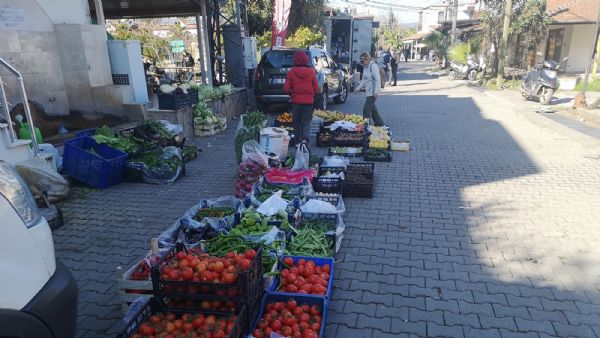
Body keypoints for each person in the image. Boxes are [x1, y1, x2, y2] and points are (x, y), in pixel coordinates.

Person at [283, 51, 318, 146]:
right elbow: (316, 88)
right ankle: (305, 140)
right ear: (306, 59)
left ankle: (297, 140)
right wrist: (311, 95)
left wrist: (292, 93)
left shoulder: (291, 72)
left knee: (296, 122)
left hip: (296, 102)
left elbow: (286, 89)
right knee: (306, 122)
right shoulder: (311, 71)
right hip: (308, 102)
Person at [354, 52, 384, 127]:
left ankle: (365, 126)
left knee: (366, 109)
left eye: (363, 61)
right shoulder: (366, 67)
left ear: (367, 59)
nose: (362, 63)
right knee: (373, 109)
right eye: (361, 61)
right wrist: (358, 88)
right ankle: (380, 123)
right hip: (368, 91)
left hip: (373, 92)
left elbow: (377, 79)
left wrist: (377, 91)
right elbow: (364, 80)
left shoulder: (373, 66)